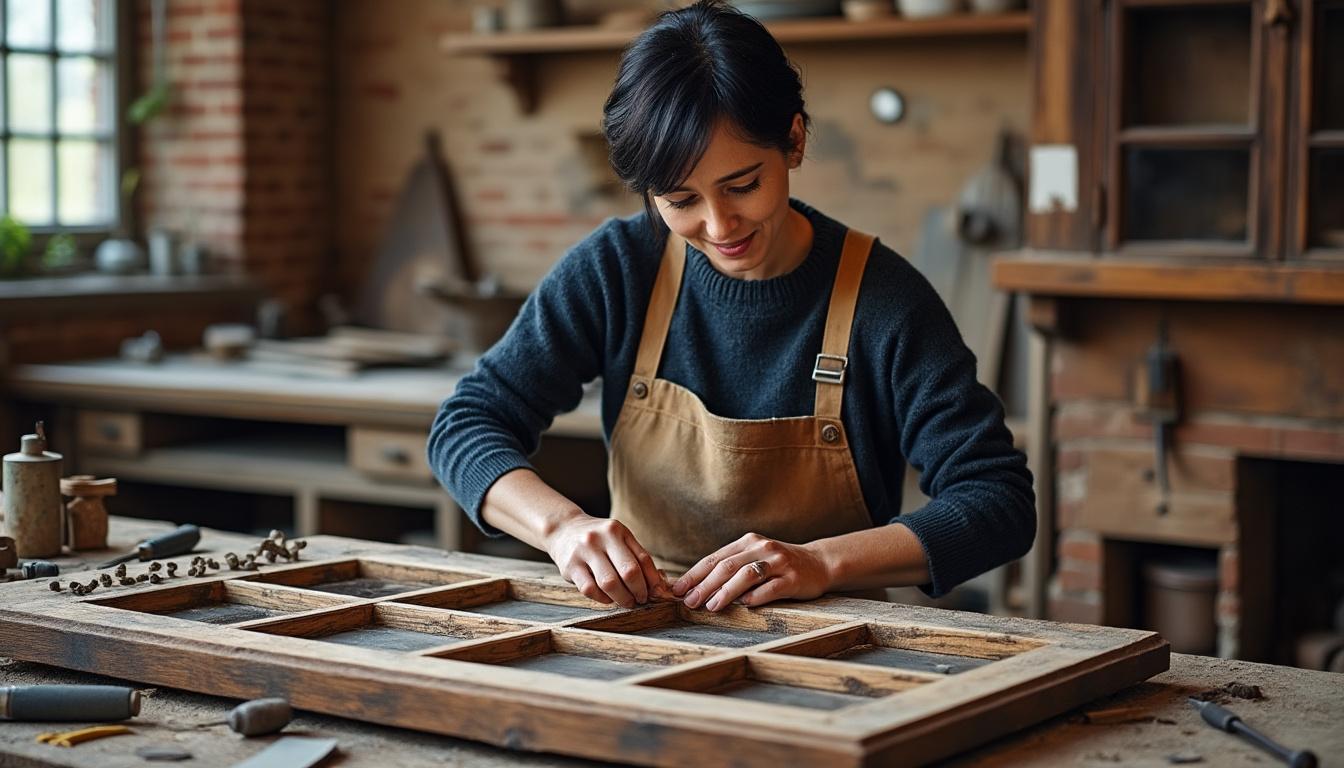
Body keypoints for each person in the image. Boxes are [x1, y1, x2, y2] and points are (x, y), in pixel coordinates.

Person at [428, 0, 1034, 613]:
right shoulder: (619, 270)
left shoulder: (885, 301)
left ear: (793, 141)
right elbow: (467, 423)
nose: (720, 227)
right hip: (644, 625)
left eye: (743, 186)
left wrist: (821, 562)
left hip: (830, 639)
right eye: (680, 200)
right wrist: (560, 527)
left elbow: (998, 500)